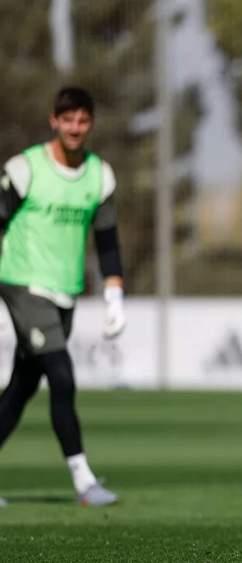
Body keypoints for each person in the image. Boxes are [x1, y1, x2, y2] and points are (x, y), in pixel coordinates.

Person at [0, 87, 126, 507]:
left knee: (22, 386)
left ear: (90, 124)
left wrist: (114, 296)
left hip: (65, 293)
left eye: (83, 120)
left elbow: (107, 240)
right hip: (22, 283)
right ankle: (83, 481)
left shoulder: (99, 175)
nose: (75, 127)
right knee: (61, 375)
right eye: (67, 119)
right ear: (54, 120)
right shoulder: (24, 169)